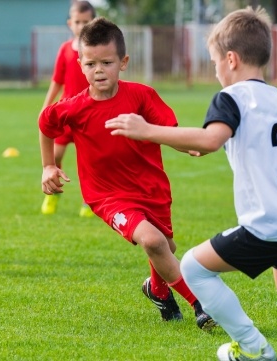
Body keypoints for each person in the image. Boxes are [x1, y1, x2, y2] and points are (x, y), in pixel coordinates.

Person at [106, 6, 277, 361]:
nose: (216, 71)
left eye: (213, 62)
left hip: (270, 222)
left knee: (193, 268)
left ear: (231, 59)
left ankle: (255, 350)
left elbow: (211, 139)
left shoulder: (232, 98)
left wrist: (147, 131)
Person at [39, 17, 215, 332]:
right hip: (107, 196)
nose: (98, 70)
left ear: (124, 62)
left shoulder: (142, 96)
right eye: (90, 63)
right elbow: (45, 123)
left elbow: (167, 131)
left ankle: (158, 291)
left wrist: (189, 146)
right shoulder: (74, 108)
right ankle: (200, 305)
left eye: (106, 62)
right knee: (153, 241)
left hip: (151, 189)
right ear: (80, 65)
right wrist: (49, 165)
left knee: (166, 248)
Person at [40, 0, 95, 218]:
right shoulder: (64, 49)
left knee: (89, 160)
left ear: (94, 22)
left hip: (90, 114)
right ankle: (53, 193)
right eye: (78, 22)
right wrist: (46, 105)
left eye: (86, 22)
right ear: (70, 23)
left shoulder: (95, 51)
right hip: (66, 114)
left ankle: (89, 200)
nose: (81, 26)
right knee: (55, 154)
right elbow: (57, 80)